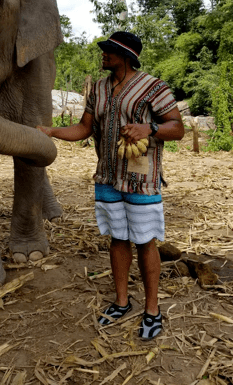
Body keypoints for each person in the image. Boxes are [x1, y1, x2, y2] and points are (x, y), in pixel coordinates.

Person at [38, 31, 184, 340]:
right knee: (117, 238)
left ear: (126, 56)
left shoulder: (153, 87)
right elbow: (84, 128)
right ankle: (121, 301)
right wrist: (50, 131)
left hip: (141, 178)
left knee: (145, 241)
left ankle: (152, 310)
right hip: (107, 176)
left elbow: (177, 128)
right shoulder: (99, 89)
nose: (103, 54)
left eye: (110, 50)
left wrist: (150, 127)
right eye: (104, 49)